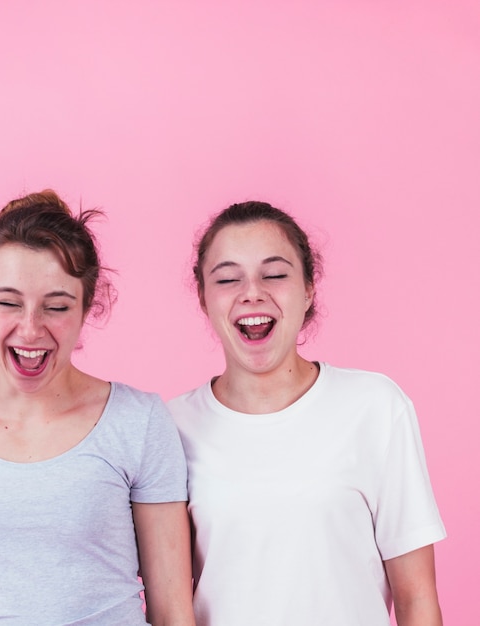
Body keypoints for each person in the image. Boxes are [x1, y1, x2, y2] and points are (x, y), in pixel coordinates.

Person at [0, 190, 195, 626]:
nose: (30, 328)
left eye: (56, 307)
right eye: (7, 303)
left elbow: (173, 610)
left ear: (86, 309)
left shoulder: (139, 421)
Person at [168, 201, 446, 626]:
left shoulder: (374, 407)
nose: (252, 292)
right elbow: (168, 603)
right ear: (204, 298)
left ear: (308, 289)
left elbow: (417, 599)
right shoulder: (172, 428)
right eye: (227, 279)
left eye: (275, 274)